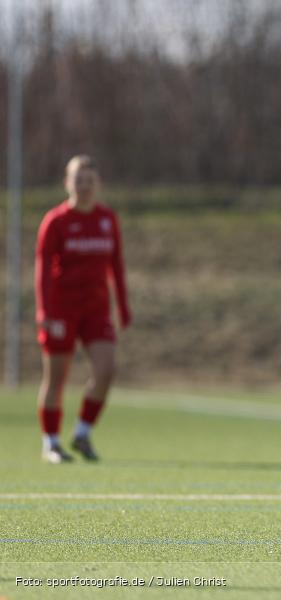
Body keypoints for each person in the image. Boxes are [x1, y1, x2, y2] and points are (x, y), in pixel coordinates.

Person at [34, 155, 131, 463]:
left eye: (89, 180)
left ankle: (82, 433)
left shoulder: (107, 219)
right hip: (62, 310)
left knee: (106, 370)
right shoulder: (56, 221)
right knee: (57, 379)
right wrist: (44, 312)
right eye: (78, 179)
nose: (84, 186)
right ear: (67, 183)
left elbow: (116, 265)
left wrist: (123, 306)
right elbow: (43, 270)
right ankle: (51, 442)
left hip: (96, 309)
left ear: (98, 184)